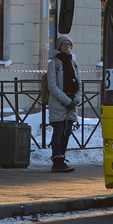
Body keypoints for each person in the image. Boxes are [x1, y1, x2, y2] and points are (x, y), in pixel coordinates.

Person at [47, 34, 81, 173]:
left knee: (67, 132)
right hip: (59, 104)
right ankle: (57, 161)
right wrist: (67, 101)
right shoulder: (53, 63)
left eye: (69, 44)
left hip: (71, 105)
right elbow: (52, 86)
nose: (66, 46)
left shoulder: (73, 63)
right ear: (58, 46)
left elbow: (79, 84)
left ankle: (62, 159)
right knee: (59, 131)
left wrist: (76, 99)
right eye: (64, 44)